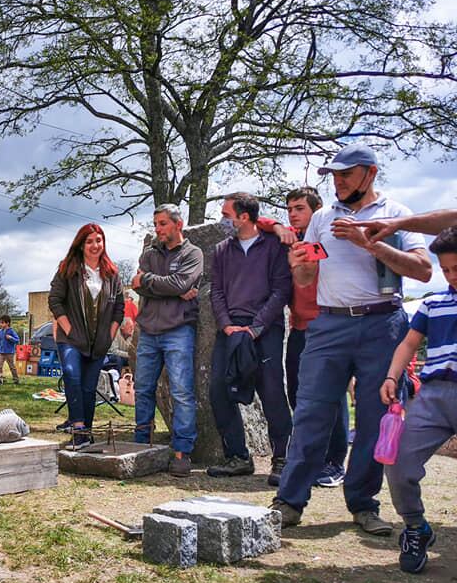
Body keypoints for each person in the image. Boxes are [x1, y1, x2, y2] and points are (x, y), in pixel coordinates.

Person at [272, 144, 432, 534]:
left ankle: (363, 504)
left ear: (370, 173)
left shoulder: (396, 214)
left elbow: (425, 271)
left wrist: (369, 243)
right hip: (329, 325)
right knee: (311, 411)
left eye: (346, 174)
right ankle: (289, 502)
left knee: (375, 417)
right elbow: (308, 277)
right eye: (334, 175)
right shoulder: (322, 218)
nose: (338, 181)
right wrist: (300, 267)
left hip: (383, 324)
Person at [258, 188, 350, 488]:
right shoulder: (291, 239)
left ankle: (335, 463)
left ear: (318, 210)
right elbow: (254, 218)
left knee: (332, 395)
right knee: (298, 394)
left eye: (299, 208)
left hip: (328, 325)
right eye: (289, 208)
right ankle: (313, 457)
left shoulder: (329, 239)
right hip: (298, 328)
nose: (293, 213)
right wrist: (277, 226)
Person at [381, 226, 457, 573]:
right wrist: (392, 376)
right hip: (434, 396)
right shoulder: (433, 302)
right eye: (447, 270)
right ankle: (416, 527)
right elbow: (409, 344)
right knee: (397, 464)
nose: (452, 276)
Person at [207, 193, 292, 484]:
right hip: (230, 330)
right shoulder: (221, 250)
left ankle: (281, 458)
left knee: (271, 391)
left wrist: (256, 328)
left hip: (265, 330)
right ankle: (238, 457)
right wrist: (227, 325)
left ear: (244, 217)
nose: (223, 220)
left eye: (226, 214)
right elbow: (216, 291)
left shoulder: (273, 247)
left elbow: (281, 290)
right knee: (218, 388)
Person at [130, 204, 204, 477]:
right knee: (142, 390)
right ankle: (141, 445)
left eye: (162, 224)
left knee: (182, 392)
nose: (158, 229)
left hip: (178, 331)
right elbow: (143, 284)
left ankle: (182, 452)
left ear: (178, 224)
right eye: (156, 224)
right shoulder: (149, 254)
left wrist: (151, 282)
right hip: (149, 330)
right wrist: (170, 287)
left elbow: (179, 284)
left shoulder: (192, 253)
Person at [48, 223, 124, 449]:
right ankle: (79, 428)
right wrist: (68, 329)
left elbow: (119, 308)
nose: (94, 245)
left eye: (98, 240)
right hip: (70, 339)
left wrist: (109, 335)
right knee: (72, 374)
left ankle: (85, 434)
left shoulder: (112, 273)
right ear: (81, 245)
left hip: (98, 342)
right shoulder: (67, 269)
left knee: (90, 387)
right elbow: (55, 300)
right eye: (89, 241)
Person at [0, 314, 20, 385]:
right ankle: (0, 379)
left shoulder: (11, 331)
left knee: (12, 367)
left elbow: (17, 340)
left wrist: (10, 338)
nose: (0, 324)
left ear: (7, 323)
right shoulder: (0, 331)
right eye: (0, 323)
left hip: (9, 353)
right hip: (1, 352)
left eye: (2, 323)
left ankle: (16, 379)